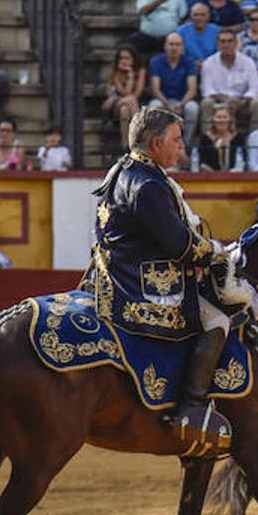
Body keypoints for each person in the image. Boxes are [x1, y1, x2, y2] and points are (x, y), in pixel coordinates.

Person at [87, 107, 232, 451]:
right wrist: (215, 252)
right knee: (218, 319)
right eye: (177, 140)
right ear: (155, 143)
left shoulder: (125, 169)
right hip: (141, 288)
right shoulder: (149, 184)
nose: (181, 148)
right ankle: (192, 407)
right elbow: (181, 247)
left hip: (114, 276)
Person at [200, 30, 258, 133]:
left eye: (230, 41)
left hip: (242, 103)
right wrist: (226, 100)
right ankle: (208, 140)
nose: (226, 45)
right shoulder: (209, 63)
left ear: (236, 44)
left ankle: (254, 139)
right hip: (219, 103)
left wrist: (242, 101)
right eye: (223, 41)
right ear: (218, 44)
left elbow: (255, 88)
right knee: (206, 102)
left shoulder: (248, 62)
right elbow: (207, 90)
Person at [103, 46, 146, 153]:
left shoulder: (141, 71)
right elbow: (125, 92)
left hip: (128, 105)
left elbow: (137, 93)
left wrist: (131, 75)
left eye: (127, 58)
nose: (124, 61)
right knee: (128, 101)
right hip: (114, 108)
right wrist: (130, 78)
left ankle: (126, 145)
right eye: (121, 58)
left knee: (125, 110)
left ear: (133, 60)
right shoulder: (116, 73)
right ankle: (141, 134)